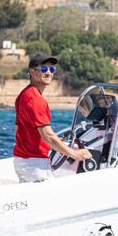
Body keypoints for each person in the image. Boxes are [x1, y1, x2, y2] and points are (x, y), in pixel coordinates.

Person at [13, 53, 91, 182]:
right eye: (44, 69)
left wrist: (47, 142)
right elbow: (48, 136)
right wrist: (74, 154)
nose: (48, 72)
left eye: (51, 69)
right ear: (32, 72)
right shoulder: (35, 99)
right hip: (35, 164)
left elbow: (19, 129)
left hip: (24, 161)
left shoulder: (24, 94)